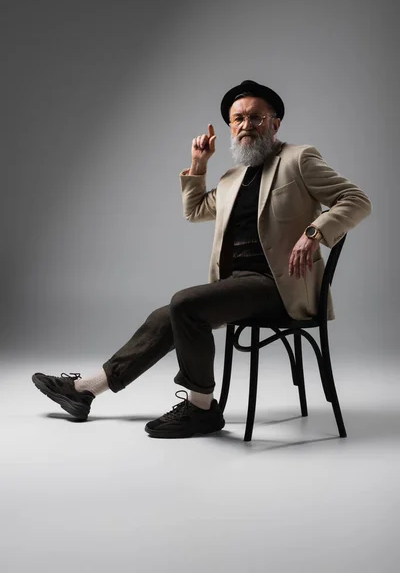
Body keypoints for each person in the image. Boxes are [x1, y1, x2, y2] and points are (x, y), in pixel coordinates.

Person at [32, 79, 372, 439]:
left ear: (275, 124)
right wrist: (198, 165)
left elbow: (355, 199)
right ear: (230, 127)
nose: (246, 126)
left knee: (186, 305)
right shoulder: (231, 178)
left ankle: (201, 408)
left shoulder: (298, 159)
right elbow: (195, 211)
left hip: (281, 286)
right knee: (166, 314)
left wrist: (313, 232)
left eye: (256, 118)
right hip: (238, 286)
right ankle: (85, 390)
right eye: (237, 119)